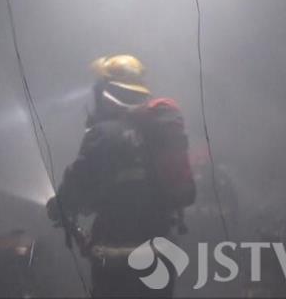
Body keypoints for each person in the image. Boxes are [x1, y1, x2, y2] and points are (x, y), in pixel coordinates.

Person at [47, 54, 195, 297]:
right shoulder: (157, 132)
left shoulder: (103, 134)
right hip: (161, 253)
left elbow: (76, 188)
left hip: (116, 259)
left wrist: (58, 206)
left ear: (107, 94)